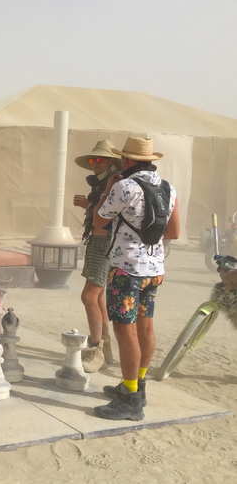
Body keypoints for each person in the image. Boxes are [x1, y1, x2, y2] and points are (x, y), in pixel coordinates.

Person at [92, 135, 179, 421]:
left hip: (126, 269)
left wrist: (107, 189)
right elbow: (174, 232)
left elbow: (99, 220)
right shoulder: (169, 188)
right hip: (154, 270)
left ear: (127, 161)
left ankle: (130, 398)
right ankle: (138, 384)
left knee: (124, 330)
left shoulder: (124, 186)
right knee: (145, 327)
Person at [72, 140, 120, 372]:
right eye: (93, 160)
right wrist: (89, 204)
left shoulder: (115, 181)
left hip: (105, 243)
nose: (95, 164)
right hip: (99, 241)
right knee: (98, 296)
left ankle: (96, 347)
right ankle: (104, 346)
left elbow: (109, 209)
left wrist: (89, 202)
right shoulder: (104, 183)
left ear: (111, 162)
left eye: (100, 160)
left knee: (89, 296)